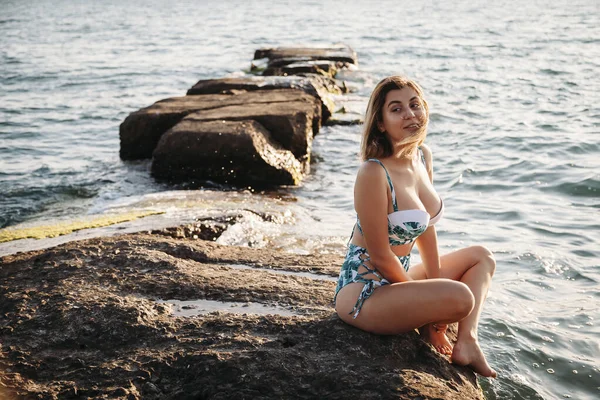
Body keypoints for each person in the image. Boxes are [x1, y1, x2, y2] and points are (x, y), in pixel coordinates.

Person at [334, 76, 497, 378]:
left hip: (402, 276)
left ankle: (467, 342)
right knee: (460, 297)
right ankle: (438, 325)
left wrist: (432, 291)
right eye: (396, 109)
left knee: (482, 257)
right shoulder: (373, 172)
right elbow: (381, 257)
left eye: (414, 105)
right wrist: (434, 312)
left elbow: (427, 229)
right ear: (380, 123)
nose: (410, 114)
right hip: (365, 291)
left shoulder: (422, 156)